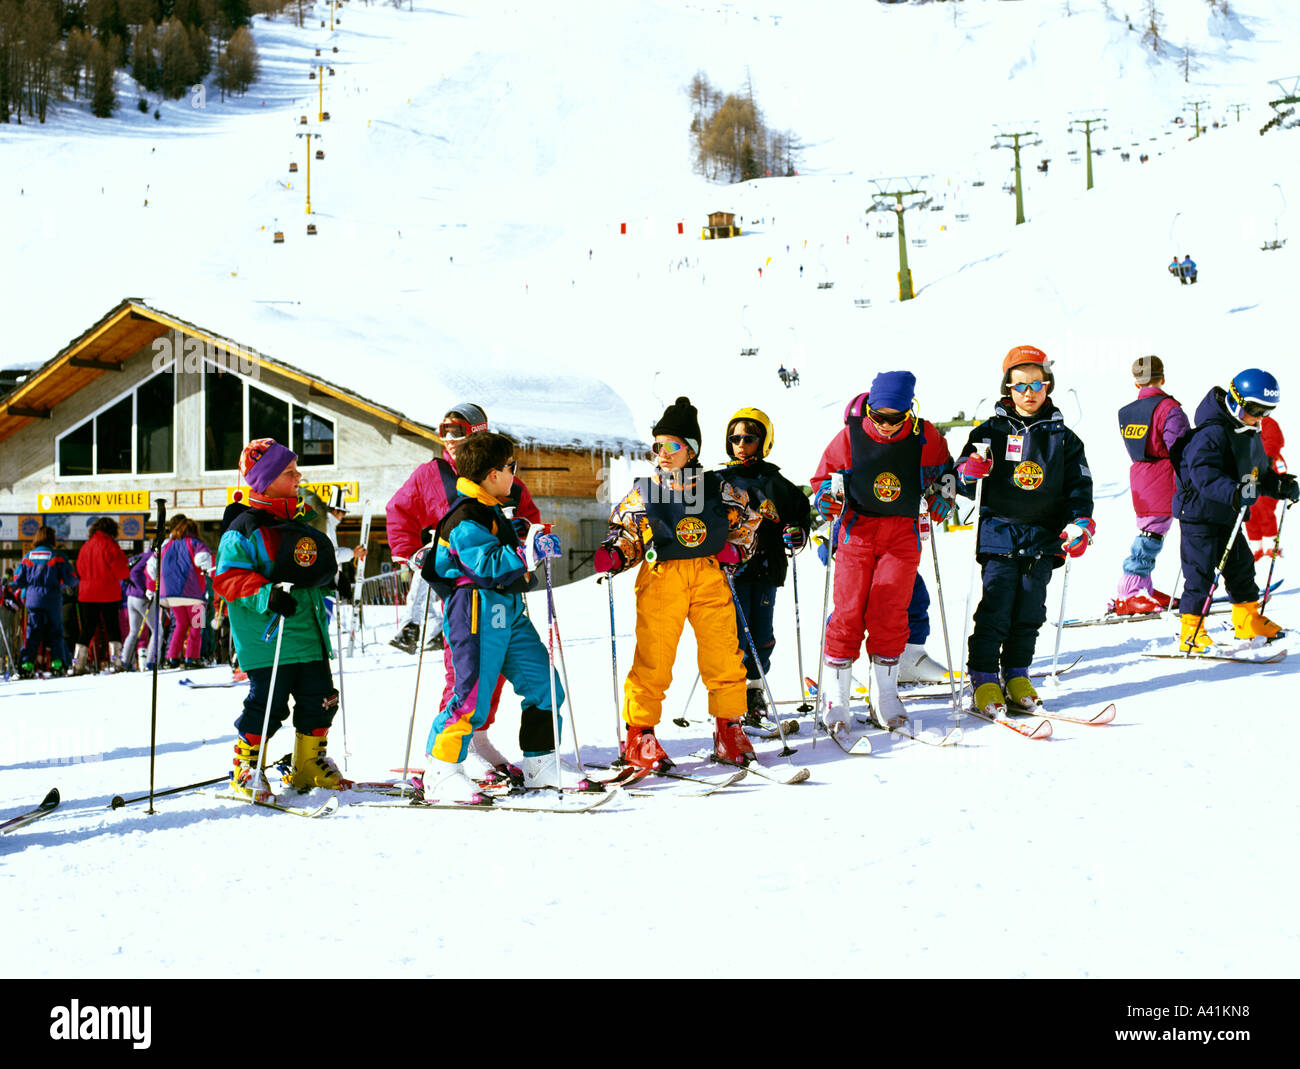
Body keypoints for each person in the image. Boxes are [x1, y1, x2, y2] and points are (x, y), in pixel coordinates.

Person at [595, 396, 762, 769]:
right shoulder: (646, 490)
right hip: (662, 577)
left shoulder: (717, 488)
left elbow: (748, 520)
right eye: (657, 446)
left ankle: (729, 727)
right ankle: (641, 735)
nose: (662, 454)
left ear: (692, 450)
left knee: (723, 655)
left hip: (707, 575)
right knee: (654, 659)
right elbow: (627, 528)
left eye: (671, 446)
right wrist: (618, 551)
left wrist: (736, 549)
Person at [386, 402, 542, 780]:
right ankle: (451, 750)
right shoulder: (431, 473)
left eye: (459, 432)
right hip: (456, 584)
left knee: (498, 668)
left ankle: (480, 736)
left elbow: (529, 517)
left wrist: (525, 538)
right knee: (463, 667)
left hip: (500, 585)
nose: (450, 441)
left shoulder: (501, 475)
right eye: (445, 432)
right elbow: (399, 511)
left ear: (478, 432)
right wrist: (409, 552)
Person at [420, 432, 565, 799]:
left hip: (509, 610)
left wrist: (529, 537)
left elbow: (503, 543)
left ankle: (541, 763)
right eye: (510, 467)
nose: (514, 475)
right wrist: (527, 552)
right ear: (491, 474)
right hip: (476, 611)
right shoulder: (464, 516)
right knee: (471, 696)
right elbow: (485, 564)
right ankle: (441, 771)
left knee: (544, 684)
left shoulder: (490, 510)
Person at [810, 372, 956, 730]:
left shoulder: (926, 436)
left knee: (890, 611)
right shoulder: (850, 436)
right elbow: (822, 480)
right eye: (879, 417)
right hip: (856, 532)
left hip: (901, 533)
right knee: (847, 613)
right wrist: (825, 497)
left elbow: (946, 474)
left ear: (911, 410)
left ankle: (885, 696)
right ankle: (837, 700)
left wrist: (944, 496)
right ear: (869, 409)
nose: (887, 426)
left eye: (896, 418)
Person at [955, 346, 1095, 717]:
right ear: (1007, 389)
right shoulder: (989, 432)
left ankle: (1017, 675)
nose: (1029, 392)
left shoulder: (1064, 438)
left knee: (1030, 610)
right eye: (1020, 385)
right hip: (1000, 531)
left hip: (1043, 536)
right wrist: (969, 473)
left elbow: (1079, 487)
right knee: (997, 608)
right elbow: (962, 478)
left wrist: (1080, 521)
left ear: (1048, 386)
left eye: (1037, 384)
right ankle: (984, 678)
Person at [215, 438, 346, 800]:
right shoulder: (244, 529)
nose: (298, 476)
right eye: (290, 472)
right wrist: (265, 594)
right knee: (268, 705)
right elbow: (228, 579)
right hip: (269, 638)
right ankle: (247, 767)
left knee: (320, 699)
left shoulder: (302, 522)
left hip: (309, 634)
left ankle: (308, 762)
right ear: (265, 479)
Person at [1172, 369, 1297, 652]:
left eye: (1266, 411)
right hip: (1199, 516)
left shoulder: (1250, 432)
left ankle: (1247, 619)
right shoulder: (1210, 433)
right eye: (1254, 409)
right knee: (1200, 574)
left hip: (1229, 515)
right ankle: (1191, 629)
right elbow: (1204, 475)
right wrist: (1235, 492)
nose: (1258, 417)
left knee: (1242, 568)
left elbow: (1258, 474)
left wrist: (1278, 486)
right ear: (1235, 399)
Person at [714, 407, 812, 722]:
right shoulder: (719, 481)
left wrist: (797, 532)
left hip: (767, 568)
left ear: (764, 441)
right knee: (735, 635)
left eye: (749, 438)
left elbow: (798, 511)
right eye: (735, 438)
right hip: (731, 572)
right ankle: (732, 692)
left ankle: (755, 689)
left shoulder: (776, 482)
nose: (741, 444)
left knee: (762, 633)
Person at [1113, 355, 1190, 614]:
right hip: (1164, 477)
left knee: (1151, 531)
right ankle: (1131, 590)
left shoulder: (1126, 412)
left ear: (1136, 383)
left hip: (1141, 477)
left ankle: (1143, 585)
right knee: (1152, 534)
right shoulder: (1169, 409)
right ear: (1163, 378)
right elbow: (1180, 449)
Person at [149, 517, 214, 670]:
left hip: (170, 594)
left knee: (180, 624)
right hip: (194, 594)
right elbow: (203, 561)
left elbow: (151, 565)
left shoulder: (165, 545)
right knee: (197, 625)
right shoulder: (197, 543)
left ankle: (172, 658)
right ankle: (192, 657)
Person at [14, 526, 78, 678]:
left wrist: (29, 586)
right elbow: (71, 578)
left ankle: (26, 664)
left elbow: (18, 579)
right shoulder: (58, 556)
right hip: (52, 599)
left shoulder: (28, 557)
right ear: (52, 538)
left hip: (32, 599)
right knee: (56, 632)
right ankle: (57, 664)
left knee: (32, 632)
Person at [72, 517, 131, 674]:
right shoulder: (110, 545)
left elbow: (79, 568)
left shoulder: (86, 546)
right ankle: (116, 662)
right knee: (112, 628)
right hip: (108, 593)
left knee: (86, 630)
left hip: (86, 593)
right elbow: (122, 571)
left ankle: (77, 663)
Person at [1244, 413, 1286, 561]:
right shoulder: (1244, 423)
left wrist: (1266, 459)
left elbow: (1275, 441)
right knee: (1250, 508)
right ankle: (1256, 547)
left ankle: (1271, 545)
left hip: (1269, 469)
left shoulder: (1266, 423)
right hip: (1250, 471)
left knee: (1264, 507)